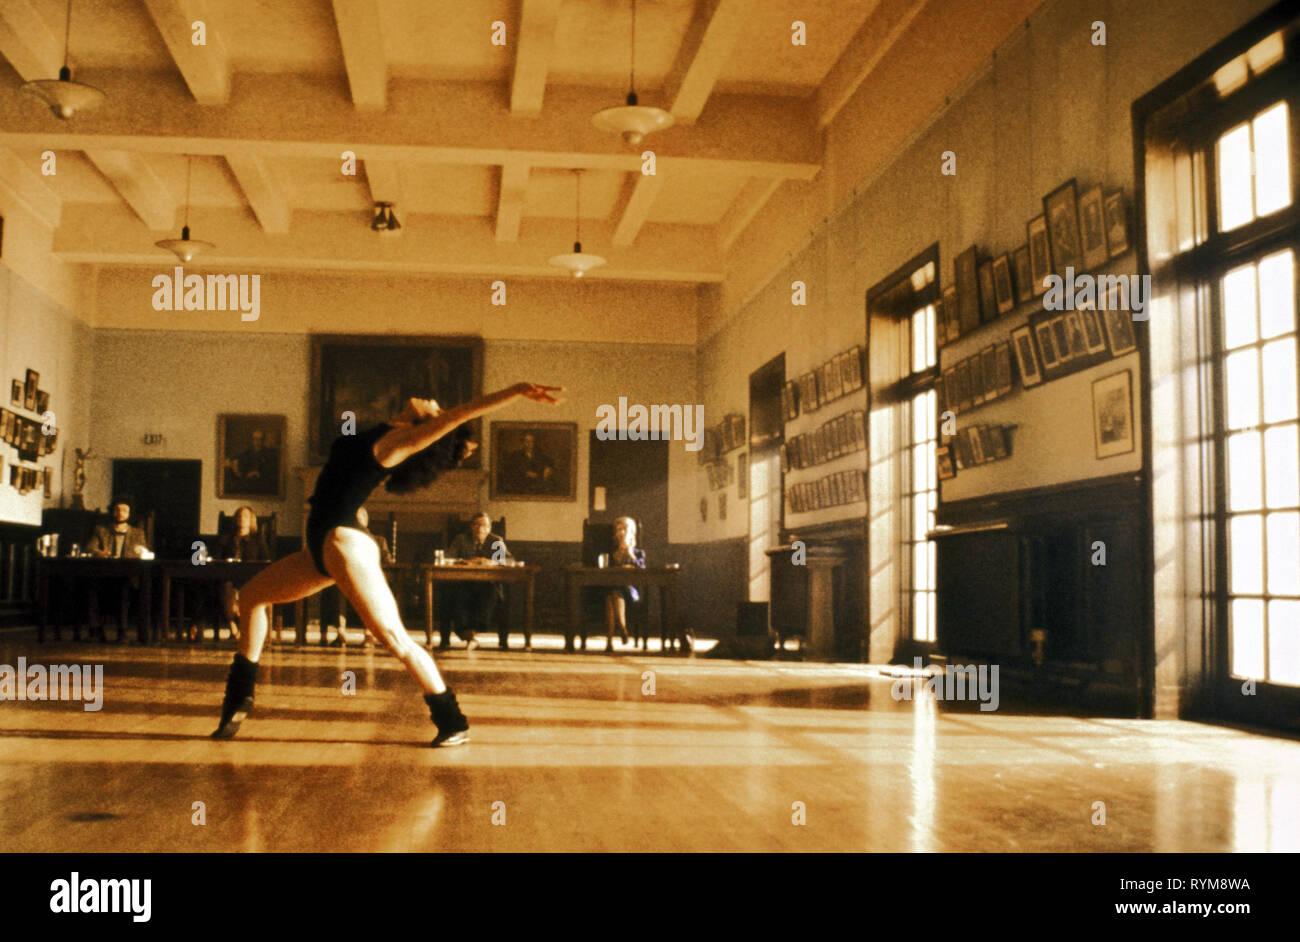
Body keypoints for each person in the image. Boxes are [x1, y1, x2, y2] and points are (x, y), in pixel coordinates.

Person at [210, 381, 562, 747]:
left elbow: (462, 413)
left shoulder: (397, 444)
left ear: (429, 423)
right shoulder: (388, 431)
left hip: (342, 542)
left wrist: (518, 390)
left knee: (395, 639)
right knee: (251, 596)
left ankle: (452, 720)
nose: (432, 399)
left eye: (435, 406)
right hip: (320, 547)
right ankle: (239, 699)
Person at [445, 513, 512, 651]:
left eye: (485, 525)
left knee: (491, 594)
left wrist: (490, 562)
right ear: (471, 526)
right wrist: (467, 562)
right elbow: (449, 559)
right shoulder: (461, 539)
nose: (480, 529)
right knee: (457, 595)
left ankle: (472, 634)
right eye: (477, 524)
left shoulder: (496, 541)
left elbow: (506, 562)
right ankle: (470, 637)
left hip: (488, 585)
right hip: (464, 583)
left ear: (490, 528)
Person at [215, 506, 271, 641]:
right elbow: (216, 558)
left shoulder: (257, 539)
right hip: (229, 576)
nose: (241, 519)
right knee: (226, 587)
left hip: (250, 578)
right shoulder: (227, 538)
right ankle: (232, 623)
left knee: (245, 590)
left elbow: (266, 560)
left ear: (251, 520)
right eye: (239, 516)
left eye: (245, 516)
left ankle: (240, 623)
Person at [603, 516, 645, 653]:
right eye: (618, 529)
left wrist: (630, 554)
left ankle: (615, 633)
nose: (621, 532)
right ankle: (620, 630)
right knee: (612, 595)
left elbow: (643, 570)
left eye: (624, 529)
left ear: (631, 532)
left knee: (613, 596)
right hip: (613, 587)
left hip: (629, 590)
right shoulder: (610, 552)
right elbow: (605, 570)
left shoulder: (639, 552)